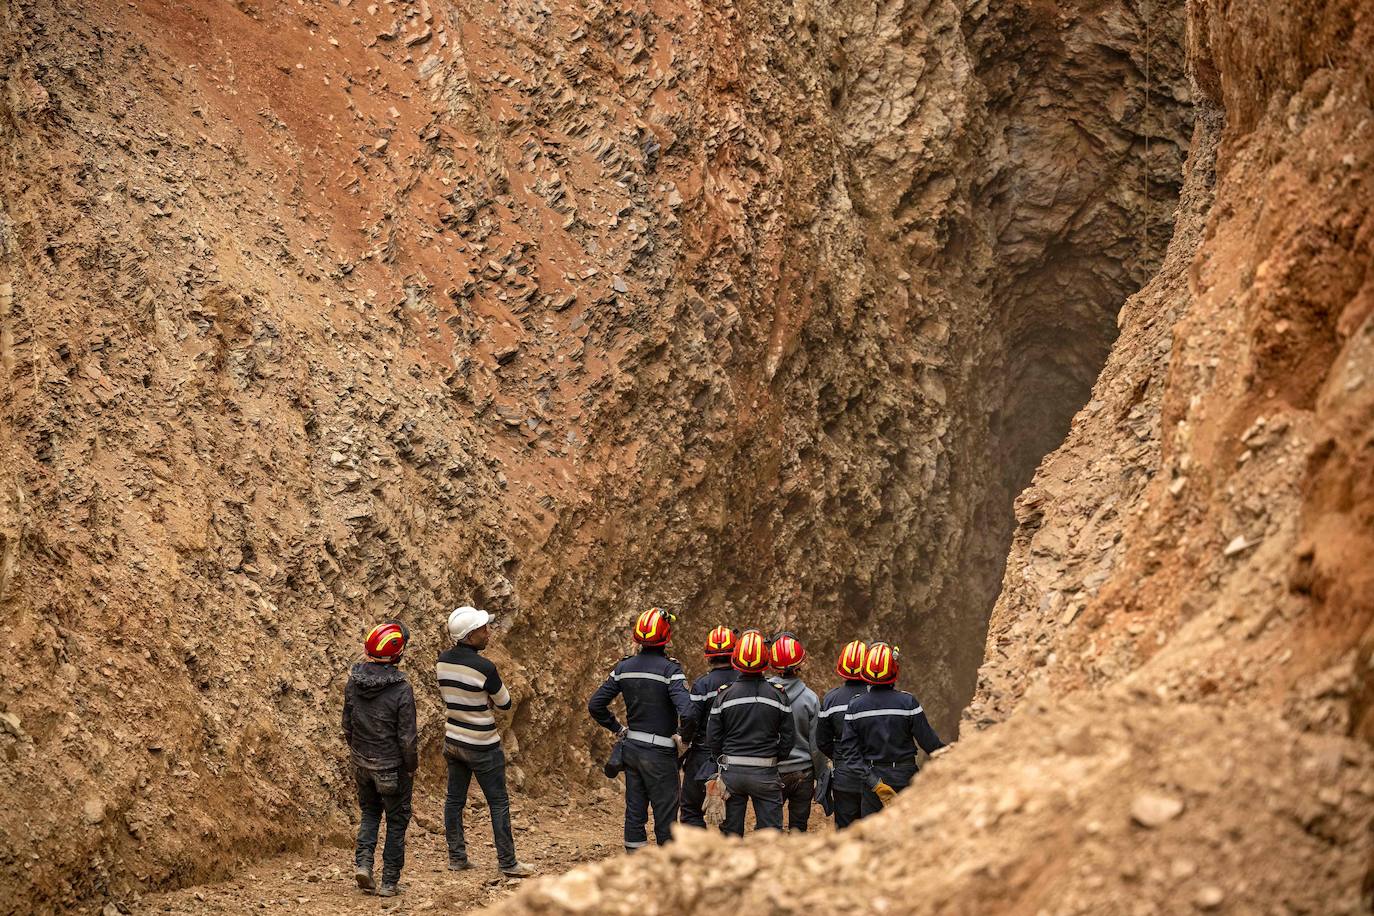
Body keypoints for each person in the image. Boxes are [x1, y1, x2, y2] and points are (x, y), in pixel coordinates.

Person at [437, 605, 535, 878]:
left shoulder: (442, 660)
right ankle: (508, 862)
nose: (488, 632)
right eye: (482, 629)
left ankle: (457, 857)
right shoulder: (485, 667)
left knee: (454, 800)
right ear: (469, 637)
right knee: (498, 802)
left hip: (453, 739)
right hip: (482, 743)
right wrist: (486, 700)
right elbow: (505, 702)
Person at [588, 608, 695, 851]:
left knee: (635, 810)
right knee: (666, 812)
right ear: (666, 637)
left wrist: (618, 729)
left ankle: (634, 861)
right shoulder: (670, 670)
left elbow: (595, 705)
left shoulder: (624, 667)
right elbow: (688, 712)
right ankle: (667, 862)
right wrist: (684, 739)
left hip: (632, 749)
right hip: (660, 754)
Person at [342, 622, 418, 897]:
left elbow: (348, 725)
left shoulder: (353, 682)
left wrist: (359, 753)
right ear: (397, 654)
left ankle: (363, 864)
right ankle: (389, 882)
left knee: (370, 813)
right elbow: (407, 738)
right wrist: (410, 767)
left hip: (362, 763)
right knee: (396, 821)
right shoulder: (401, 689)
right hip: (391, 767)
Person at [700, 629, 795, 836]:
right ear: (766, 661)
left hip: (732, 774)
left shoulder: (724, 695)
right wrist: (773, 758)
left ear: (735, 659)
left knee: (731, 836)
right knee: (770, 835)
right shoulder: (778, 695)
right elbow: (789, 739)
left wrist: (723, 759)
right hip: (766, 773)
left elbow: (713, 737)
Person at [838, 642, 946, 818]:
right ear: (895, 672)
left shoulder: (855, 706)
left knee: (872, 831)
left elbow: (850, 753)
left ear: (865, 672)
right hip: (906, 777)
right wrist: (956, 756)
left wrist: (875, 784)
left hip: (873, 781)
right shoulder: (908, 703)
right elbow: (930, 743)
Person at [679, 626, 739, 828]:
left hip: (703, 755)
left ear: (709, 656)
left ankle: (695, 847)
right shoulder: (743, 682)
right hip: (735, 757)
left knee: (691, 809)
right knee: (732, 814)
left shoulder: (703, 685)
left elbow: (690, 717)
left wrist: (684, 740)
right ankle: (730, 846)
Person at [768, 632, 825, 832]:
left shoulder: (765, 695)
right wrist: (821, 775)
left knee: (769, 829)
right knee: (798, 829)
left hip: (772, 771)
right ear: (800, 663)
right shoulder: (811, 699)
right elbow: (816, 745)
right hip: (803, 773)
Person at [816, 640, 870, 828]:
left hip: (844, 777)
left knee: (846, 833)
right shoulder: (875, 699)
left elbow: (822, 741)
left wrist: (840, 756)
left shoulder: (831, 699)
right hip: (873, 775)